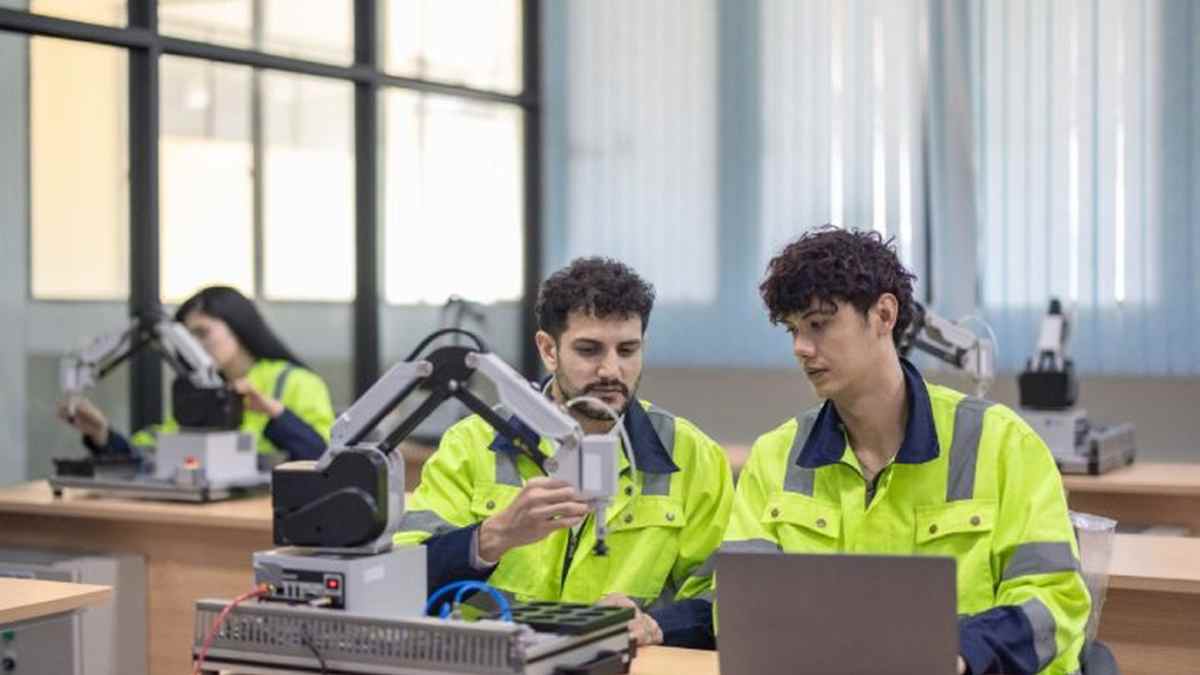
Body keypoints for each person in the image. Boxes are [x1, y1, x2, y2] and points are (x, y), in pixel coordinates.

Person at [718, 228, 1090, 674]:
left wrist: (961, 653)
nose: (801, 347)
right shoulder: (775, 457)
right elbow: (739, 609)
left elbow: (1054, 600)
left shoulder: (1005, 444)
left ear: (884, 314)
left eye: (818, 324)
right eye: (793, 329)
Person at [393, 257, 734, 649]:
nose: (611, 370)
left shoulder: (693, 456)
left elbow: (726, 599)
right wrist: (493, 536)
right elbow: (403, 576)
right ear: (548, 350)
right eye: (589, 350)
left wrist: (657, 625)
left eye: (627, 350)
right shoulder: (470, 445)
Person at [58, 285, 335, 462]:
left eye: (203, 333)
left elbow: (324, 458)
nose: (194, 346)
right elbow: (152, 454)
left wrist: (276, 414)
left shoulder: (298, 383)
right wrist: (102, 434)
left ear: (238, 327)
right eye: (187, 337)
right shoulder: (200, 389)